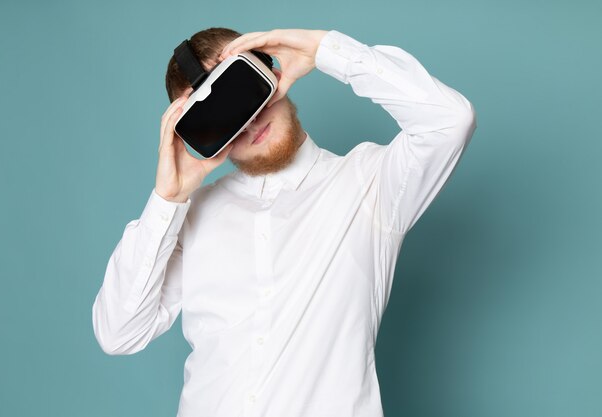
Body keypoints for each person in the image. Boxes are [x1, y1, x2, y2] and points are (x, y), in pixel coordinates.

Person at [92, 28, 477, 417]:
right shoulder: (187, 219)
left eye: (241, 92)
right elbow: (118, 332)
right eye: (218, 115)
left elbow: (450, 121)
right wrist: (167, 200)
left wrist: (325, 51)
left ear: (270, 73)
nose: (247, 122)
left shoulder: (369, 185)